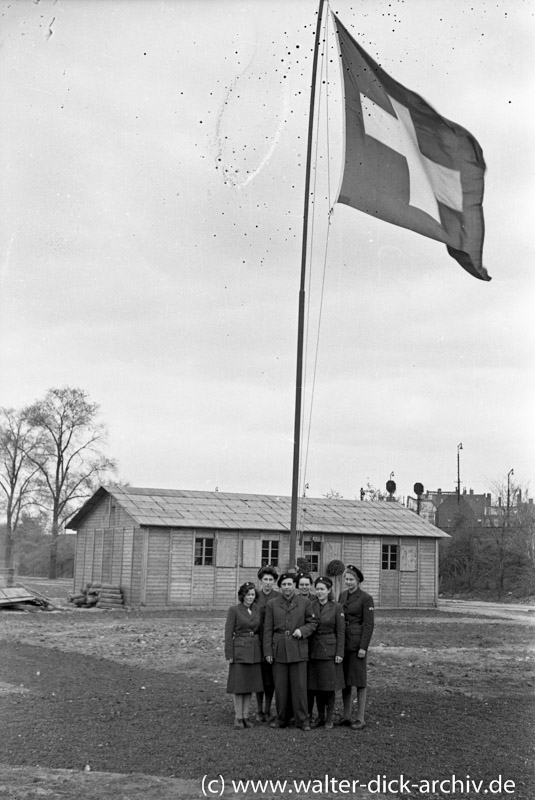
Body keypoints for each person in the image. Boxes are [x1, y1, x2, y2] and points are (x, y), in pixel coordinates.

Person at [263, 572, 318, 731]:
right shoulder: (272, 604)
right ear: (280, 586)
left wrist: (302, 631)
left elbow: (313, 622)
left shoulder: (305, 602)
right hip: (279, 649)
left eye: (290, 584)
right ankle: (282, 719)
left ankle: (302, 720)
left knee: (300, 687)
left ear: (295, 586)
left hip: (298, 648)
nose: (287, 588)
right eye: (284, 584)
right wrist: (268, 652)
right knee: (281, 687)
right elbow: (268, 630)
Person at [338, 565, 374, 730]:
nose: (348, 582)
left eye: (351, 579)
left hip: (357, 643)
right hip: (343, 643)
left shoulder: (366, 598)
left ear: (358, 581)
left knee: (359, 681)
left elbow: (368, 625)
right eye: (346, 579)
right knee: (345, 680)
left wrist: (363, 647)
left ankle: (360, 718)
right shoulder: (342, 595)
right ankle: (346, 716)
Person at [307, 576, 345, 729]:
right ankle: (320, 716)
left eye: (322, 589)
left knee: (329, 686)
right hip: (314, 649)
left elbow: (341, 632)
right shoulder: (311, 605)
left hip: (329, 649)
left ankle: (329, 718)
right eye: (317, 589)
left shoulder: (337, 607)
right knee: (316, 685)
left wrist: (339, 653)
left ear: (329, 590)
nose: (319, 592)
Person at [224, 582, 264, 729]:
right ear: (242, 595)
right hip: (239, 650)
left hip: (254, 650)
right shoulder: (234, 610)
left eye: (253, 595)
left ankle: (246, 716)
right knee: (239, 685)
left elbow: (261, 630)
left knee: (249, 685)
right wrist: (229, 653)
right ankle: (238, 717)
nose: (250, 597)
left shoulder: (257, 610)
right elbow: (228, 633)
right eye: (248, 594)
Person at [254, 565, 279, 721]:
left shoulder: (278, 596)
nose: (268, 583)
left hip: (273, 640)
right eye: (265, 580)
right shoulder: (255, 596)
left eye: (271, 580)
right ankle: (259, 710)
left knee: (270, 678)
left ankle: (268, 708)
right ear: (261, 581)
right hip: (258, 640)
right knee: (259, 677)